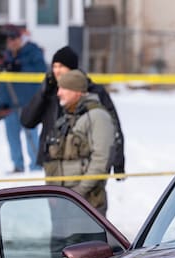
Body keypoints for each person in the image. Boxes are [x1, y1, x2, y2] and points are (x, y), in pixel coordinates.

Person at [22, 46, 125, 179]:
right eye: (54, 66)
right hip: (54, 164)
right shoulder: (50, 91)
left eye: (61, 66)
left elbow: (113, 127)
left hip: (85, 164)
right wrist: (43, 94)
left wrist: (118, 164)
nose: (57, 71)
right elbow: (27, 121)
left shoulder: (93, 91)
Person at [48, 69, 116, 214]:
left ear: (77, 91)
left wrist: (78, 193)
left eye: (63, 89)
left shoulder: (98, 117)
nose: (59, 93)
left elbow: (101, 160)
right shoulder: (68, 117)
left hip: (86, 203)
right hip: (62, 199)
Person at [0, 25, 47, 173]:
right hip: (8, 103)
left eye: (13, 38)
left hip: (28, 102)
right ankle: (17, 165)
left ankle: (36, 166)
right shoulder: (5, 55)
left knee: (31, 134)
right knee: (12, 136)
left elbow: (40, 71)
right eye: (7, 39)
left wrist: (19, 67)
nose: (10, 42)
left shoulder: (33, 51)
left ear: (20, 38)